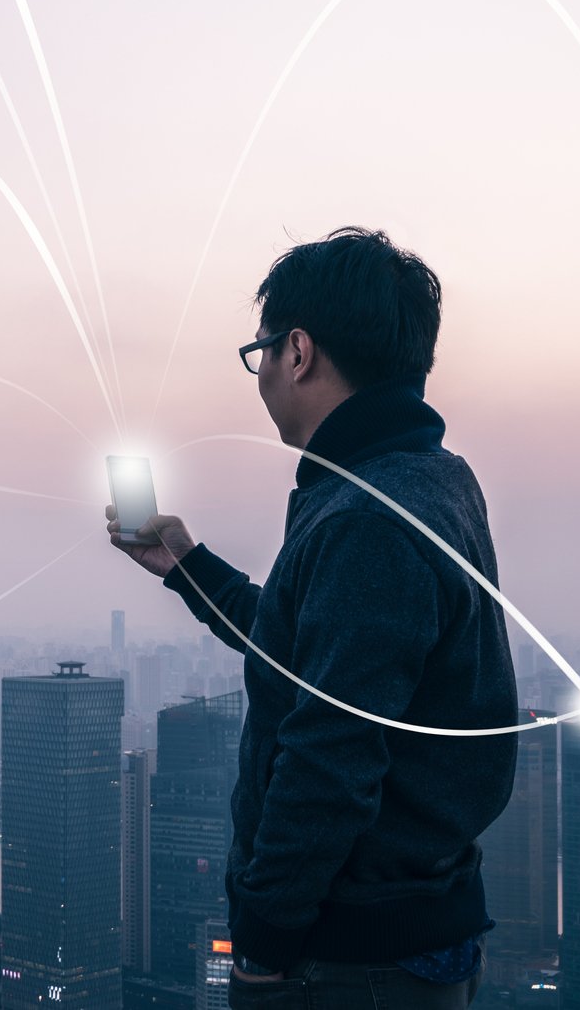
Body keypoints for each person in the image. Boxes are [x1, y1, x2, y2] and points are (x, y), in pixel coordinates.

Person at [109, 228, 516, 1008]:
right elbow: (313, 654)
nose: (260, 373)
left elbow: (330, 757)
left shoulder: (365, 516)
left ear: (297, 351)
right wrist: (187, 565)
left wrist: (262, 945)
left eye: (259, 352)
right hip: (408, 932)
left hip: (354, 961)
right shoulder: (430, 478)